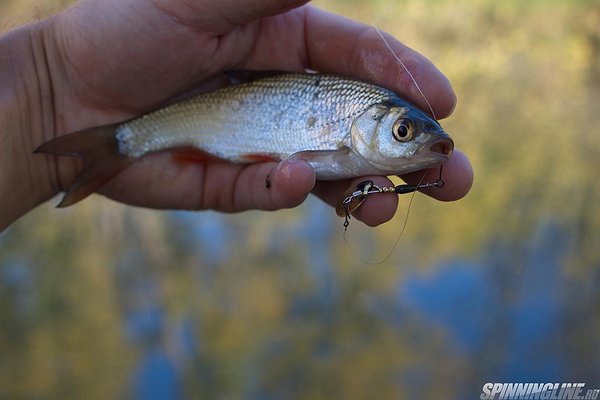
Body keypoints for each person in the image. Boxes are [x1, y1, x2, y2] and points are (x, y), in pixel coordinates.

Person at [0, 0, 473, 232]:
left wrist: (49, 86)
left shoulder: (364, 128)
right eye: (403, 130)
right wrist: (51, 79)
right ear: (366, 125)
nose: (412, 140)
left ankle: (106, 143)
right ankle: (119, 143)